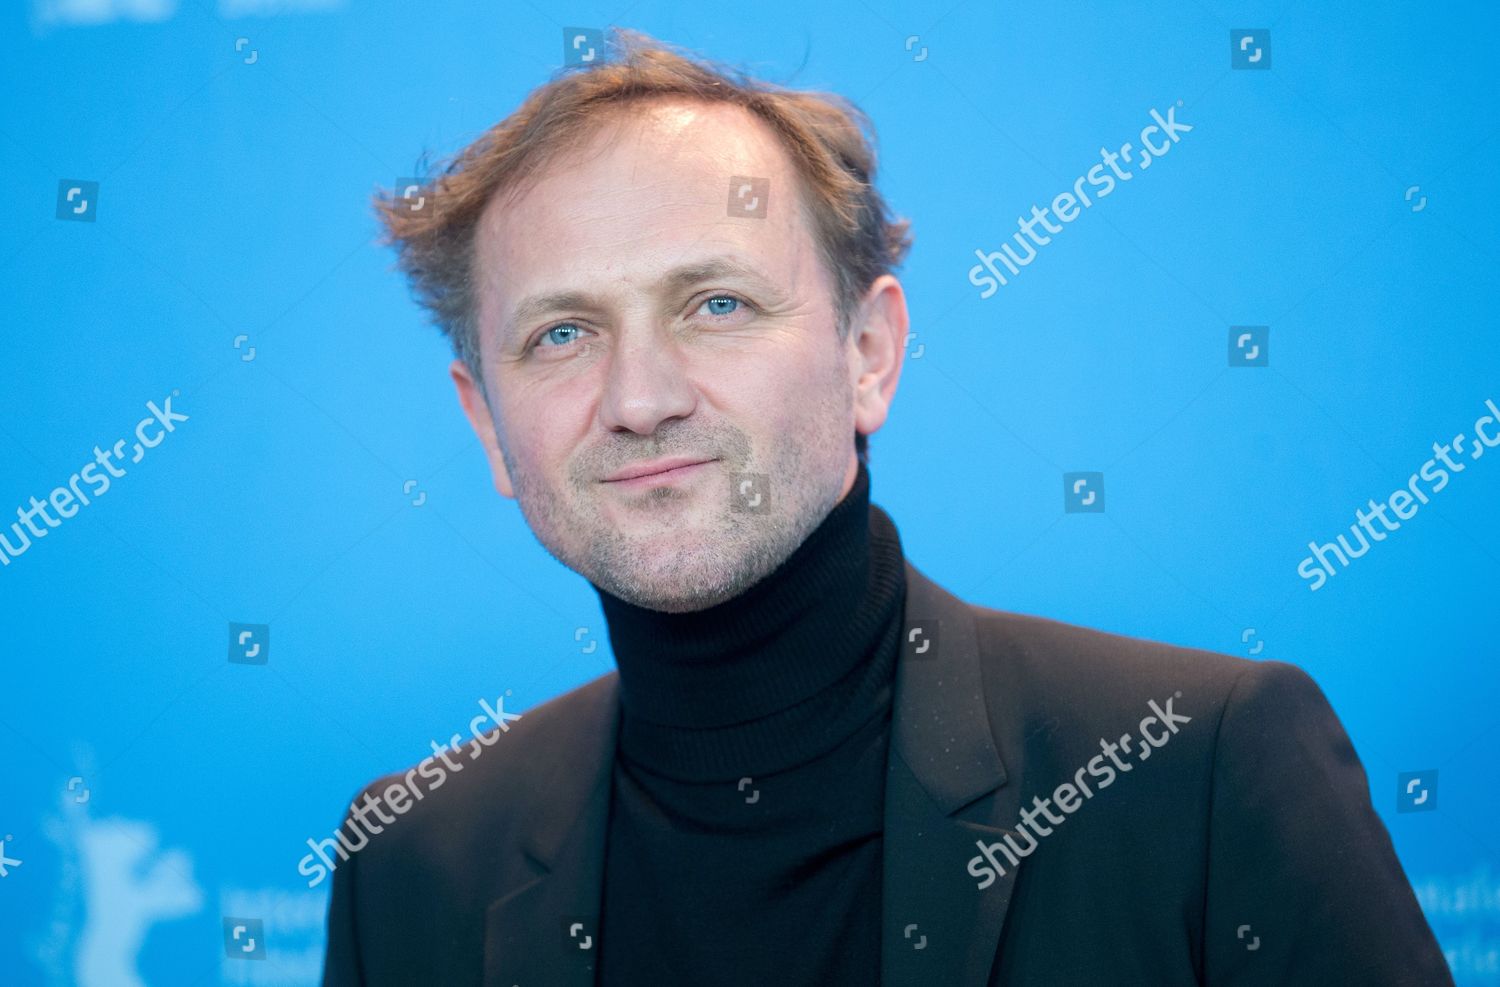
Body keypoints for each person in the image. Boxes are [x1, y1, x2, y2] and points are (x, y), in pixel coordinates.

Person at [321, 28, 1453, 986]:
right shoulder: (413, 863)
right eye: (561, 334)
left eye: (716, 303)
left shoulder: (1199, 770)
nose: (641, 399)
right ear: (487, 425)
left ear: (870, 353)